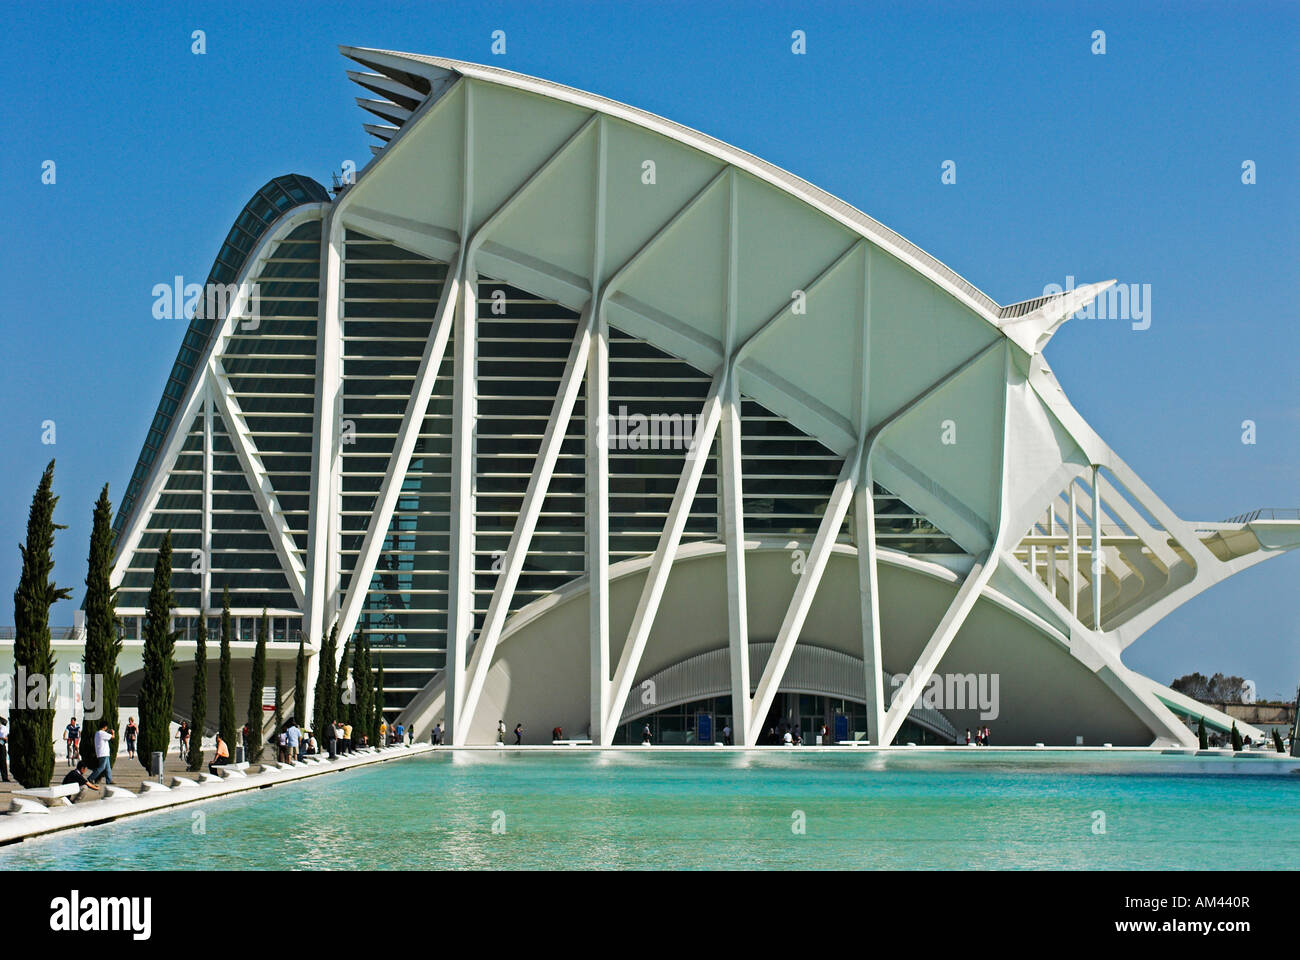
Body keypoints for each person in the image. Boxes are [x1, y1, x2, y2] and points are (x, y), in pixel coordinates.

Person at [0, 716, 10, 782]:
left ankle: (5, 777)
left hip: (1, 745)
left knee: (3, 761)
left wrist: (3, 739)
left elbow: (7, 738)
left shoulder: (4, 728)